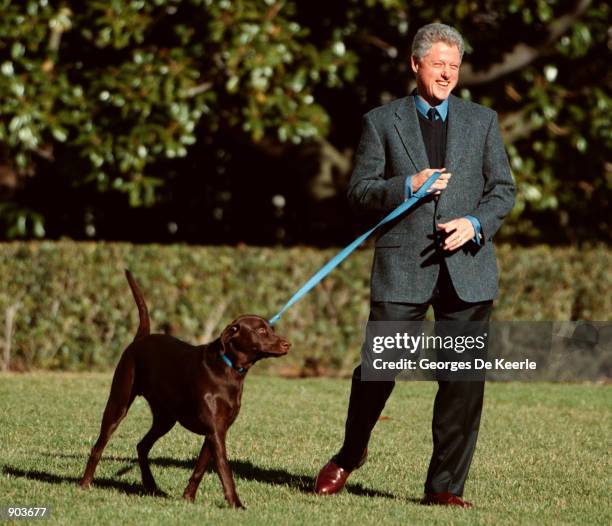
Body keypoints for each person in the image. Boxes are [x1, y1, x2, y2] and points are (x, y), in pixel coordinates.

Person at [314, 23, 515, 508]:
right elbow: (360, 192)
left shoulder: (482, 120)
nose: (447, 74)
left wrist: (474, 222)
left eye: (454, 65)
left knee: (462, 380)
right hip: (403, 267)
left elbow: (503, 190)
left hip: (468, 268)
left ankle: (445, 487)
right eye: (438, 64)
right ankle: (351, 450)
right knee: (380, 368)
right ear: (415, 64)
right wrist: (407, 184)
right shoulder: (382, 121)